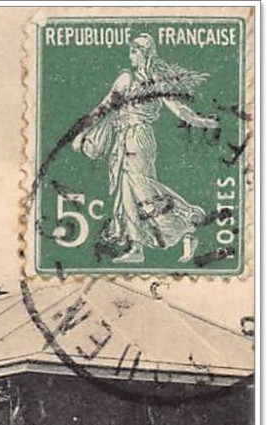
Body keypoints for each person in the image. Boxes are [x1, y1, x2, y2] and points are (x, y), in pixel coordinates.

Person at [72, 34, 219, 264]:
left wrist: (203, 122)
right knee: (127, 193)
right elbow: (103, 108)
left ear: (144, 53)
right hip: (122, 139)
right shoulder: (124, 79)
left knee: (143, 190)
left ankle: (186, 225)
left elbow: (178, 109)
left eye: (134, 51)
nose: (130, 56)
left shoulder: (155, 80)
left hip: (140, 138)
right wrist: (81, 133)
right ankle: (137, 247)